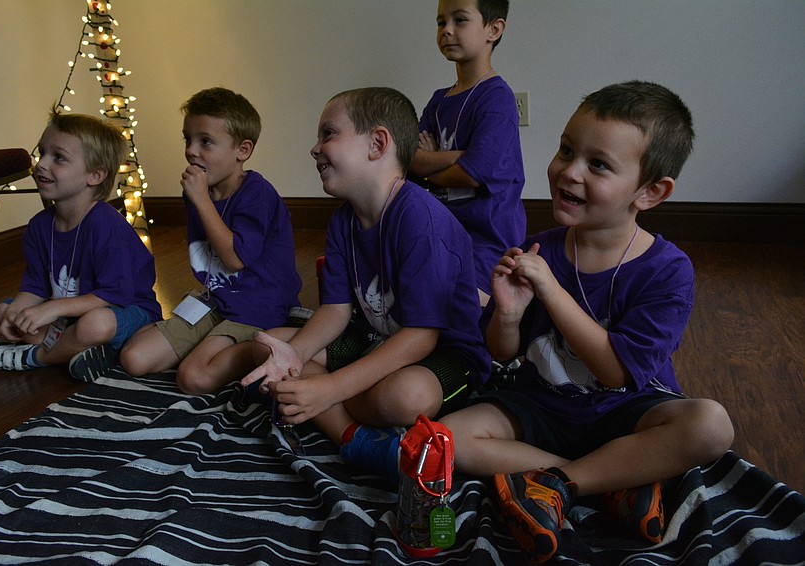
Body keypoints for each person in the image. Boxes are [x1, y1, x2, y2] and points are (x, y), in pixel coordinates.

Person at [439, 81, 734, 563]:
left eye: (598, 165)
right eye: (566, 150)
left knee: (710, 426)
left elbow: (616, 372)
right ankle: (608, 481)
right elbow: (500, 352)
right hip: (543, 406)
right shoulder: (541, 248)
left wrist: (551, 291)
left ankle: (564, 483)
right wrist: (509, 315)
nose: (568, 172)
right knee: (452, 437)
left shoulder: (668, 270)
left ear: (650, 191)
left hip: (627, 413)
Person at [241, 87, 490, 480]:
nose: (315, 148)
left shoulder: (421, 220)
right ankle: (354, 436)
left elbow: (422, 337)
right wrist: (296, 354)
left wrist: (330, 388)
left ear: (377, 143)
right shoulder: (344, 219)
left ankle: (328, 408)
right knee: (266, 347)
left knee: (405, 398)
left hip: (442, 353)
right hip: (373, 339)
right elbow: (335, 310)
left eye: (328, 134)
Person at [115, 87, 302, 395]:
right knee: (134, 359)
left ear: (242, 150)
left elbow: (234, 259)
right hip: (214, 299)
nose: (191, 150)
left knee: (193, 378)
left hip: (256, 308)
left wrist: (200, 200)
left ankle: (257, 347)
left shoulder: (257, 193)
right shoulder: (201, 191)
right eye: (188, 139)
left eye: (206, 142)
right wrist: (201, 198)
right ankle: (202, 339)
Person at [0, 111, 161, 376]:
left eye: (58, 158)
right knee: (6, 309)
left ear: (95, 175)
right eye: (42, 153)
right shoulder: (40, 226)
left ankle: (39, 357)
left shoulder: (105, 224)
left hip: (125, 311)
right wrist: (15, 313)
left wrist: (52, 309)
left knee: (95, 324)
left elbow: (114, 294)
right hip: (69, 315)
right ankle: (83, 352)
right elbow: (35, 286)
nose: (41, 165)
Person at [409, 0, 526, 306]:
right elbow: (409, 159)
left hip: (486, 240)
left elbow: (473, 173)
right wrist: (458, 155)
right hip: (438, 231)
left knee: (463, 312)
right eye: (440, 22)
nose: (446, 30)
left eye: (460, 20)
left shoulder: (497, 98)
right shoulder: (438, 101)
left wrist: (432, 166)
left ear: (494, 29)